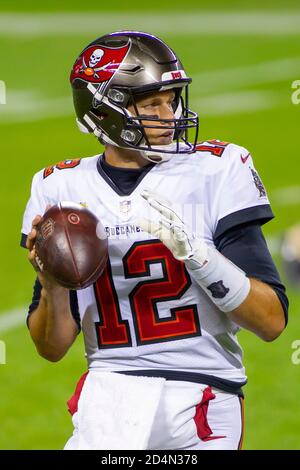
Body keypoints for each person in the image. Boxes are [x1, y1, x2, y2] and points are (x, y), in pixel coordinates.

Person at [21, 31, 288, 450]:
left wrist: (197, 254)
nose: (170, 114)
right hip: (108, 398)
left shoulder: (216, 170)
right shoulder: (60, 187)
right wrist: (53, 285)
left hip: (202, 394)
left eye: (172, 99)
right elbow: (52, 349)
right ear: (106, 111)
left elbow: (271, 322)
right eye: (152, 103)